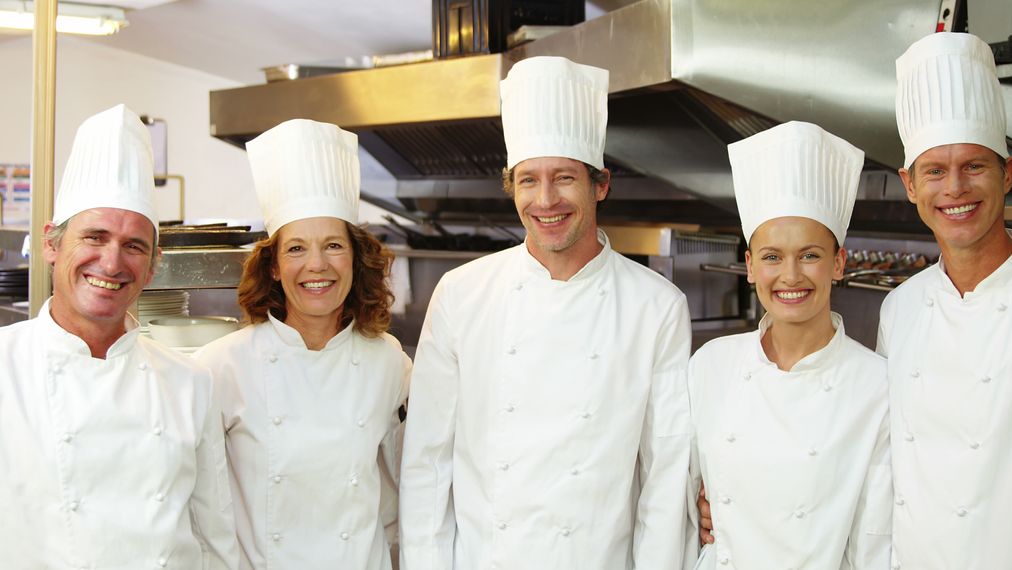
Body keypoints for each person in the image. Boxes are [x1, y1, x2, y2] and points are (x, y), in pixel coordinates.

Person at [399, 56, 693, 570]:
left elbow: (665, 479)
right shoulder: (461, 293)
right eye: (529, 181)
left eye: (564, 178)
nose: (547, 200)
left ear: (601, 184)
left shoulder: (657, 306)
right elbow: (427, 463)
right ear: (512, 187)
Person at [0, 104, 238, 568]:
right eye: (94, 237)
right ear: (51, 243)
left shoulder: (190, 383)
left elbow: (215, 541)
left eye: (133, 246)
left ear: (152, 265)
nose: (111, 264)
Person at [877, 32, 1012, 569]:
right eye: (935, 172)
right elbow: (878, 462)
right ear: (910, 185)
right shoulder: (899, 309)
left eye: (974, 166)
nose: (956, 189)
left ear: (1008, 174)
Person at [192, 118, 411, 570]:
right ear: (273, 266)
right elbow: (203, 507)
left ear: (355, 258)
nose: (317, 265)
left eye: (333, 245)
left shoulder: (389, 361)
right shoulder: (220, 365)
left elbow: (406, 486)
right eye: (295, 249)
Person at [688, 121, 891, 570]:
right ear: (750, 266)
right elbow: (679, 495)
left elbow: (875, 541)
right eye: (772, 257)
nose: (791, 276)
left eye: (811, 255)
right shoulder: (710, 366)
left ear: (839, 263)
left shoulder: (877, 384)